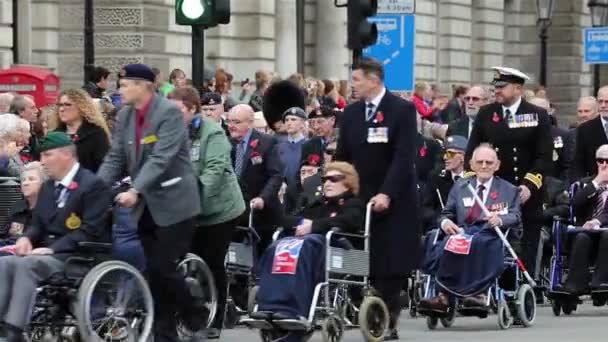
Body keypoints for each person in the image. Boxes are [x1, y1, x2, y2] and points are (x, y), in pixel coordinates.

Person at [97, 64, 204, 342]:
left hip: (175, 202)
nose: (119, 90)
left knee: (162, 267)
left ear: (143, 86)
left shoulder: (168, 113)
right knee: (154, 275)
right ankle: (165, 334)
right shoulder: (124, 116)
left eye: (124, 85)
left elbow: (161, 158)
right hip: (146, 208)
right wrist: (94, 187)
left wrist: (135, 189)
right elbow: (116, 157)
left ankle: (194, 307)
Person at [335, 57, 420, 340]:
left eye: (356, 79)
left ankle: (388, 318)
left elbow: (403, 156)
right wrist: (334, 182)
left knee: (389, 263)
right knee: (359, 257)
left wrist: (388, 192)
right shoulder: (351, 113)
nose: (352, 85)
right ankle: (363, 306)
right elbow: (343, 156)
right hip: (361, 198)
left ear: (374, 80)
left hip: (393, 198)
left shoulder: (402, 110)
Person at [0, 132, 112, 342]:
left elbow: (90, 230)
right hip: (46, 254)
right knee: (6, 263)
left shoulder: (92, 185)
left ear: (66, 155)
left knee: (26, 265)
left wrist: (53, 248)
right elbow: (38, 224)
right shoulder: (49, 187)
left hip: (78, 255)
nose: (42, 162)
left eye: (47, 155)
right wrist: (26, 238)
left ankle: (14, 328)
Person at [168, 86, 245, 338]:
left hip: (219, 209)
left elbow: (214, 170)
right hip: (187, 210)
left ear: (192, 109)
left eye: (178, 111)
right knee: (181, 260)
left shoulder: (212, 133)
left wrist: (194, 196)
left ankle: (216, 318)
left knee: (212, 262)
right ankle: (189, 312)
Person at [465, 66, 552, 277]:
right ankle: (496, 281)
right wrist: (475, 183)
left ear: (518, 89)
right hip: (496, 188)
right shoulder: (487, 113)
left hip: (528, 187)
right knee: (495, 235)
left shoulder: (536, 114)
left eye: (503, 87)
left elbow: (544, 156)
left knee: (528, 238)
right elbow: (472, 152)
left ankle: (528, 281)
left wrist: (530, 184)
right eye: (496, 87)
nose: (497, 91)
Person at [418, 144, 521, 312]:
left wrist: (501, 219)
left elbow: (515, 215)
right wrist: (445, 223)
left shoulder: (509, 189)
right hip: (463, 232)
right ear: (471, 165)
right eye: (480, 162)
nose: (484, 166)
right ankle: (443, 296)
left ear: (497, 165)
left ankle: (477, 294)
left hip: (491, 233)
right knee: (448, 244)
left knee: (478, 243)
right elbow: (447, 213)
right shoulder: (461, 186)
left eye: (489, 162)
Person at [227, 104, 284, 252]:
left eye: (237, 122)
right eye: (229, 121)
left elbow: (276, 175)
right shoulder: (226, 143)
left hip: (260, 214)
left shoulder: (267, 143)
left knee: (261, 256)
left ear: (250, 122)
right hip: (234, 212)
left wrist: (263, 198)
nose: (231, 126)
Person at [561, 145, 608, 300]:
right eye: (600, 160)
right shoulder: (585, 184)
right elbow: (575, 203)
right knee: (581, 237)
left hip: (605, 231)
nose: (604, 164)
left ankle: (600, 282)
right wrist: (596, 182)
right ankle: (575, 285)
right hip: (586, 230)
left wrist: (598, 220)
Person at [50, 89, 111, 172]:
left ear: (81, 107)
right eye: (60, 105)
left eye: (67, 105)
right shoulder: (54, 135)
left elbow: (103, 166)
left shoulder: (96, 134)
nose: (61, 109)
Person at [421, 135, 467, 232]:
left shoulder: (474, 178)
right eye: (445, 153)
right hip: (443, 230)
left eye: (450, 154)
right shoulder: (436, 177)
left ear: (462, 157)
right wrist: (442, 222)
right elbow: (426, 209)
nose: (445, 157)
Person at [0, 162, 46, 255]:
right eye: (23, 180)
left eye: (31, 179)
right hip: (7, 249)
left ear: (44, 183)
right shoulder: (17, 207)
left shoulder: (48, 209)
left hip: (30, 255)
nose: (26, 183)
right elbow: (5, 235)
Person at [573, 86, 608, 180]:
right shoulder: (585, 129)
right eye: (600, 101)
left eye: (607, 101)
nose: (603, 105)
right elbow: (578, 164)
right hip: (596, 186)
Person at [278, 107, 308, 186]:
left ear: (302, 123)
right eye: (287, 120)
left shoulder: (309, 146)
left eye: (293, 119)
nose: (289, 123)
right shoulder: (278, 147)